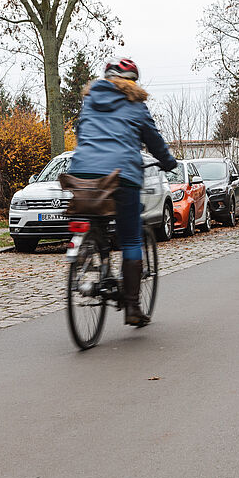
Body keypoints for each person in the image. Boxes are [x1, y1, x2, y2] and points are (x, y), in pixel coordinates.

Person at [69, 58, 178, 326]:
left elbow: (82, 133)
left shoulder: (89, 101)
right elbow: (153, 139)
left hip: (82, 174)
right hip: (121, 176)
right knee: (130, 239)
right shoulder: (136, 104)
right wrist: (168, 162)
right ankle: (132, 307)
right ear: (132, 82)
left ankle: (89, 253)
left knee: (92, 218)